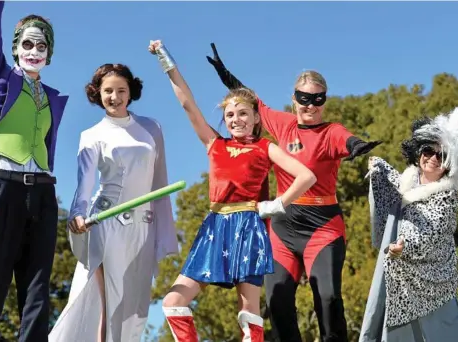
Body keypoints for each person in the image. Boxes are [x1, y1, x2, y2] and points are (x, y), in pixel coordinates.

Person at [206, 43, 381, 342]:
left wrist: (356, 146)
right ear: (293, 100)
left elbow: (347, 139)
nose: (310, 105)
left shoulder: (330, 131)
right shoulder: (283, 125)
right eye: (303, 99)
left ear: (324, 102)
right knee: (277, 300)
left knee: (327, 298)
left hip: (322, 227)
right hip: (283, 227)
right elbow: (252, 100)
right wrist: (225, 74)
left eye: (317, 99)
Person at [148, 39, 317, 342]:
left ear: (255, 118)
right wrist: (166, 60)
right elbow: (187, 103)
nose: (236, 120)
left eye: (243, 113)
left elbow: (306, 176)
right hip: (215, 226)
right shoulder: (215, 144)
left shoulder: (265, 147)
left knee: (249, 312)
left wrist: (277, 204)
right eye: (230, 115)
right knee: (173, 302)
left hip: (249, 226)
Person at [48, 63, 178, 341]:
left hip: (143, 226)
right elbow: (84, 184)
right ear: (98, 93)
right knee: (110, 300)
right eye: (108, 91)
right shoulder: (91, 135)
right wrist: (78, 214)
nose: (114, 97)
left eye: (121, 90)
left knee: (137, 307)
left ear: (131, 92)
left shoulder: (151, 128)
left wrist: (162, 229)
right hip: (106, 224)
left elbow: (160, 179)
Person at [0, 1, 69, 341]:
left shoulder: (51, 96)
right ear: (14, 47)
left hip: (42, 193)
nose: (34, 51)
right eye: (27, 43)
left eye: (41, 46)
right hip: (2, 188)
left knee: (37, 290)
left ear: (49, 54)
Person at [359, 108, 458, 342]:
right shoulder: (406, 182)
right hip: (400, 284)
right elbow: (394, 189)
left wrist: (405, 247)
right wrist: (379, 168)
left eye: (441, 156)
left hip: (434, 289)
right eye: (428, 150)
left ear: (449, 165)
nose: (433, 158)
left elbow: (431, 229)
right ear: (419, 151)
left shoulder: (447, 198)